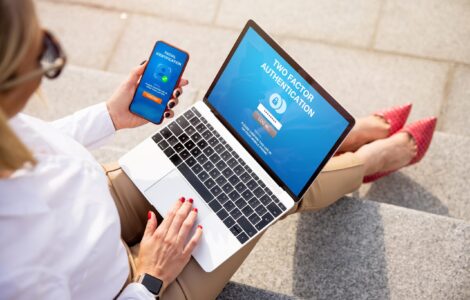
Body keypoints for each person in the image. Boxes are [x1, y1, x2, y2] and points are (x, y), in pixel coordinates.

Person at [0, 0, 437, 298]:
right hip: (127, 287)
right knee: (266, 188)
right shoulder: (13, 270)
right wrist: (151, 278)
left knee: (231, 148)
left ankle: (338, 145)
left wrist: (110, 116)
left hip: (97, 200)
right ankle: (362, 159)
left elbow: (20, 137)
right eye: (44, 54)